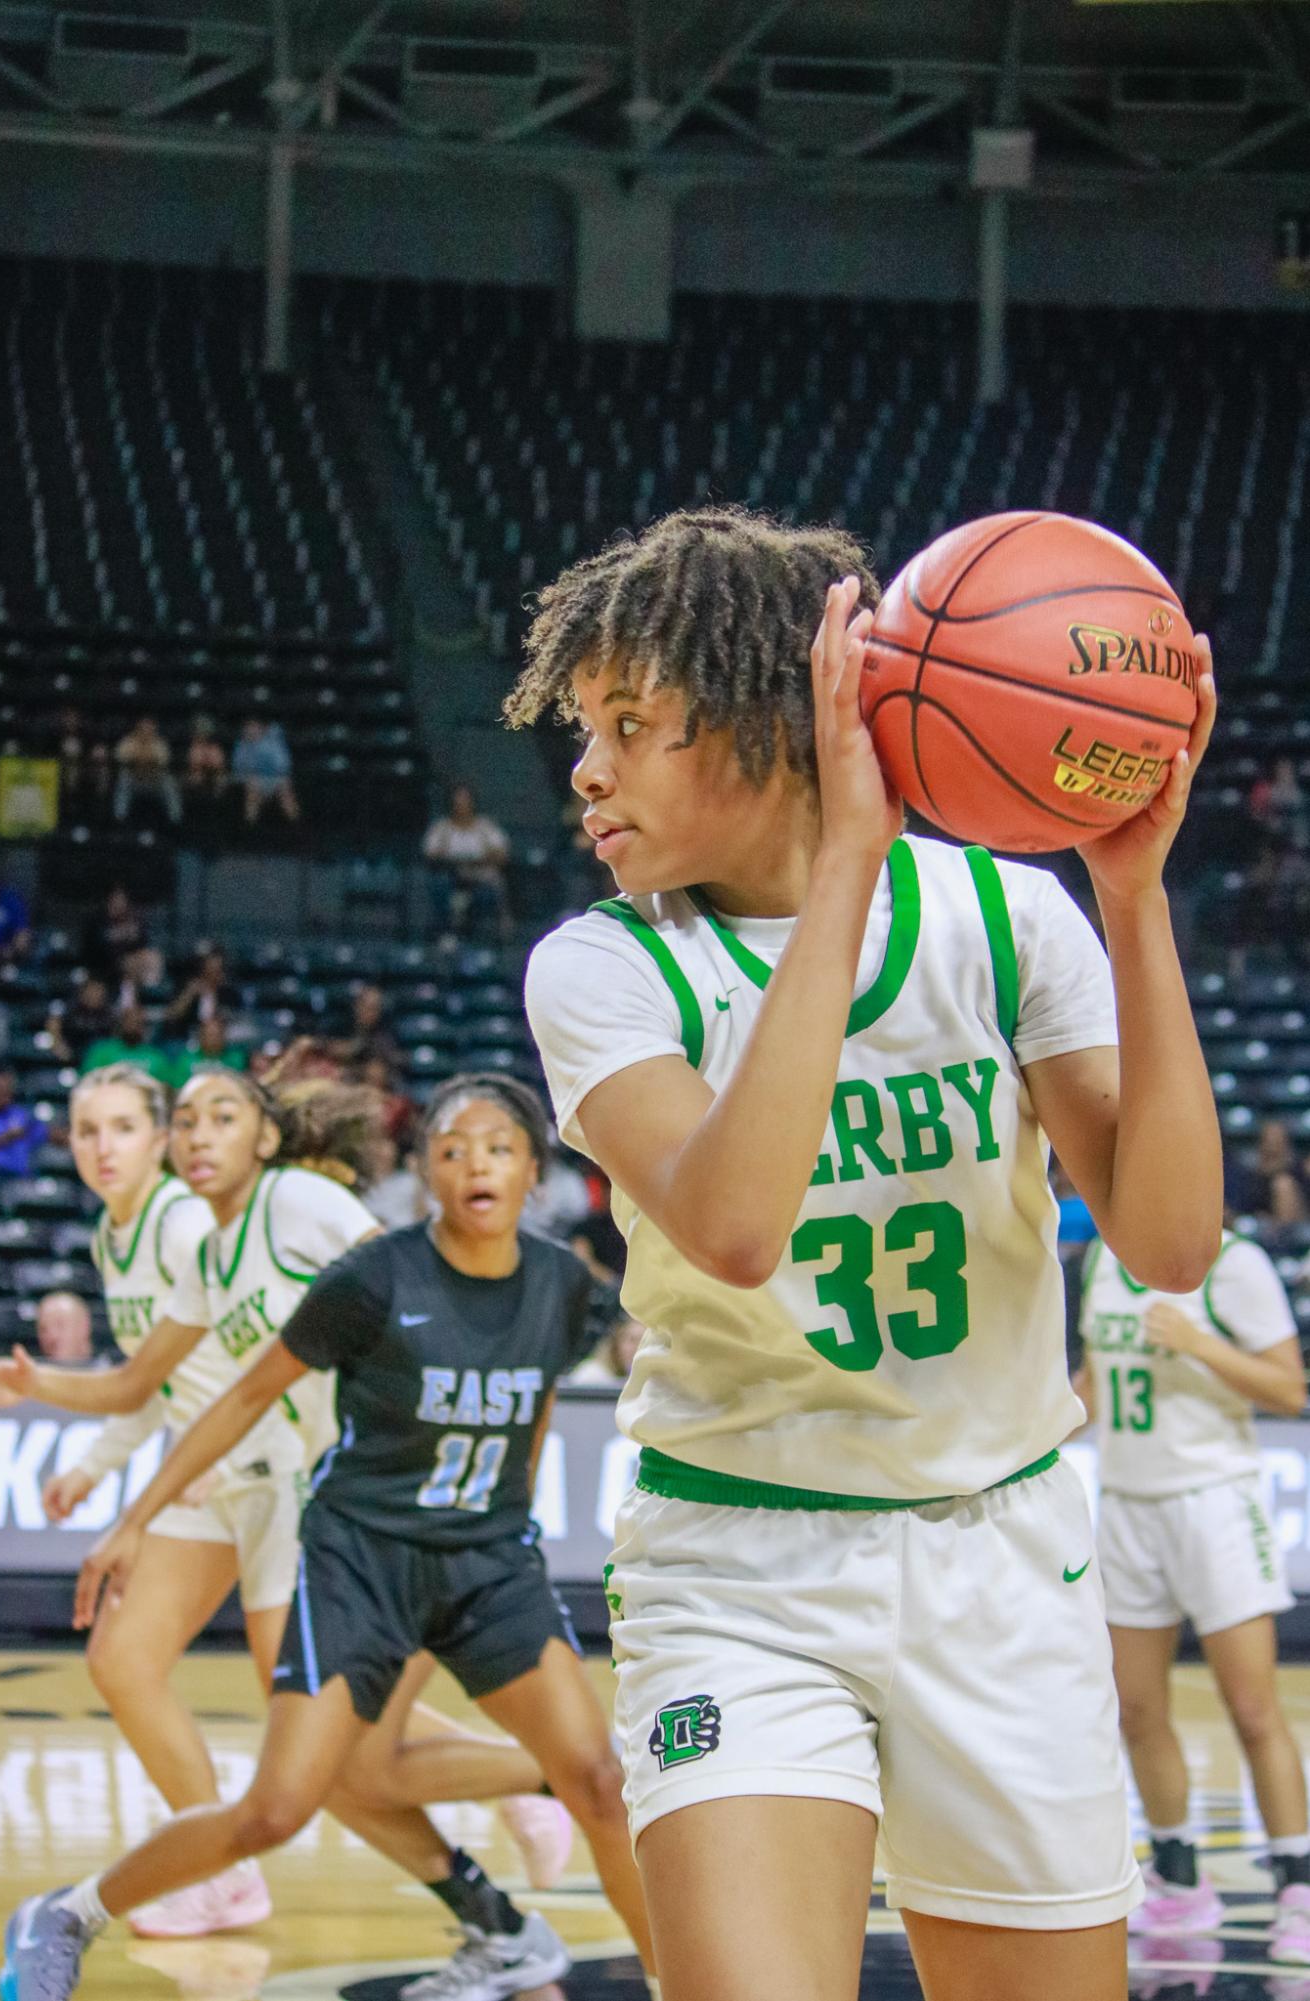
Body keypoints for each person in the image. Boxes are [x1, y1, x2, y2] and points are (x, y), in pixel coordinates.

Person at [505, 505, 1222, 2001]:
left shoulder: (1002, 917)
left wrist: (1133, 897)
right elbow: (736, 1225)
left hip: (1000, 1554)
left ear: (775, 722)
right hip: (739, 1565)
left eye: (632, 725)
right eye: (585, 728)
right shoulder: (602, 967)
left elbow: (1165, 1240)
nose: (586, 770)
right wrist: (841, 864)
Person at [0, 1073, 657, 2001]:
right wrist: (131, 1518)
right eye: (454, 1148)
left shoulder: (560, 1285)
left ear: (535, 1175)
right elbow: (236, 1397)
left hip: (487, 1560)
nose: (476, 1163)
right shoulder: (371, 1276)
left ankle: (653, 1972)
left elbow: (535, 1404)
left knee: (600, 1780)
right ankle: (69, 1911)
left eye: (500, 1147)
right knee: (281, 1804)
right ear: (426, 1171)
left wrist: (505, 1513)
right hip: (362, 1556)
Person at [0, 1061, 383, 1941]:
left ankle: (523, 1785)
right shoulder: (109, 1237)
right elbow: (148, 1382)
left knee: (305, 1692)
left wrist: (167, 1446)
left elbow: (256, 1341)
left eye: (123, 1127)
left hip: (268, 1457)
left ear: (161, 1139)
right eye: (87, 1131)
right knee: (121, 1659)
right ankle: (219, 1873)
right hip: (204, 1469)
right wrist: (83, 1448)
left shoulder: (184, 1220)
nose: (103, 1147)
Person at [1078, 1228, 1310, 1961]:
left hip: (1213, 1501)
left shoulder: (1233, 1262)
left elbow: (1289, 1387)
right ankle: (1180, 1881)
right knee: (1139, 1708)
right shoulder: (1101, 1258)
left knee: (1250, 1707)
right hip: (1127, 1503)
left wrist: (1199, 1342)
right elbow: (1096, 1379)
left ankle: (1297, 1887)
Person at [423, 783, 510, 939]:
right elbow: (431, 855)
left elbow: (501, 854)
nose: (461, 805)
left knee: (488, 893)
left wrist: (476, 862)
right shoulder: (442, 827)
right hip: (450, 880)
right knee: (439, 886)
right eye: (458, 801)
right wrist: (456, 864)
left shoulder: (485, 826)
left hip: (480, 880)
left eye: (465, 800)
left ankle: (480, 938)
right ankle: (445, 934)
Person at [0, 1063, 48, 1175]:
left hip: (17, 1181)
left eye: (8, 1091)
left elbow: (46, 1133)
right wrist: (5, 1137)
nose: (4, 1096)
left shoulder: (20, 1114)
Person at [114, 716, 183, 828]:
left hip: (154, 782)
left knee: (169, 781)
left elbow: (163, 762)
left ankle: (175, 820)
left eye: (149, 728)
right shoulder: (128, 741)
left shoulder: (160, 743)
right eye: (143, 728)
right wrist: (144, 759)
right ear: (137, 728)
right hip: (134, 781)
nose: (146, 731)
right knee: (123, 778)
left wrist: (141, 758)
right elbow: (121, 758)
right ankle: (120, 819)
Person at [79, 1002, 172, 1085]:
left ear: (144, 1028)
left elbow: (166, 1088)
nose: (133, 1027)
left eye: (138, 1023)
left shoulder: (156, 1057)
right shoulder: (101, 1052)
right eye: (129, 1022)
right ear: (121, 1024)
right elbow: (87, 1083)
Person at [232, 719, 300, 827]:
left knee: (285, 787)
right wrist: (250, 775)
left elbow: (283, 765)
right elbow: (238, 767)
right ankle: (250, 828)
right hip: (253, 780)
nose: (250, 731)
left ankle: (295, 826)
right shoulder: (241, 745)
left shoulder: (274, 743)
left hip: (275, 778)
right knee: (252, 790)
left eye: (253, 728)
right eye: (248, 729)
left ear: (261, 729)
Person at [45, 977, 116, 1065]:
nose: (94, 995)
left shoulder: (110, 1014)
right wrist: (58, 1045)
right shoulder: (70, 1008)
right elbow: (53, 1023)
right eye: (91, 991)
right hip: (71, 1055)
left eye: (98, 991)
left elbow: (116, 1038)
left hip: (101, 1058)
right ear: (82, 992)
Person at [36, 1290, 95, 1364]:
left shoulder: (109, 1371)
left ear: (84, 1326)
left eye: (60, 1325)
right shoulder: (30, 1374)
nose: (52, 1336)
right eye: (44, 1329)